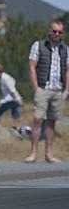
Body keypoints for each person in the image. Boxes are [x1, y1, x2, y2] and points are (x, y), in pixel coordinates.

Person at [24, 20, 68, 164]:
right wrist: (36, 87)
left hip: (57, 89)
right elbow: (32, 66)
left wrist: (66, 89)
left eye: (60, 32)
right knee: (37, 120)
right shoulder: (39, 46)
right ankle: (33, 153)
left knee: (52, 122)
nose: (57, 34)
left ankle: (49, 154)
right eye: (54, 31)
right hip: (43, 88)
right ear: (49, 31)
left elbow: (67, 70)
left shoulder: (65, 49)